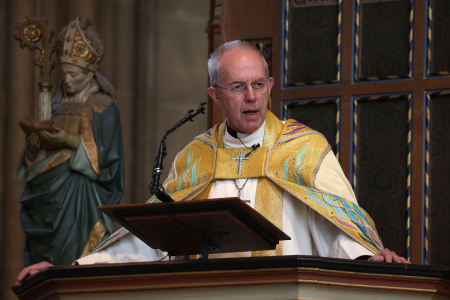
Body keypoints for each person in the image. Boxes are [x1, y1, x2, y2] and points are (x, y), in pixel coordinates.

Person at [15, 40, 407, 287]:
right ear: (215, 95)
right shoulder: (194, 157)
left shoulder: (302, 148)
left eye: (258, 85)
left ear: (270, 87)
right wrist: (73, 269)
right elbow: (153, 239)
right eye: (237, 87)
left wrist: (367, 255)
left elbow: (335, 224)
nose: (251, 97)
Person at [17, 17, 124, 268]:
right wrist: (33, 148)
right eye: (64, 74)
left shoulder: (104, 108)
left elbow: (111, 164)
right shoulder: (54, 105)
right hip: (47, 198)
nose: (67, 80)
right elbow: (31, 164)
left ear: (89, 73)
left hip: (81, 201)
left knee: (74, 264)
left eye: (74, 74)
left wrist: (71, 141)